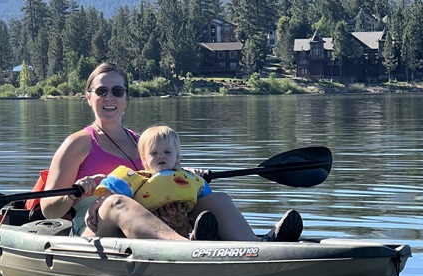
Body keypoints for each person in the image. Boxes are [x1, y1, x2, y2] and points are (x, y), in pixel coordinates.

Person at [39, 62, 302, 242]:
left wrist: (184, 176)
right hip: (94, 227)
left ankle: (257, 246)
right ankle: (186, 248)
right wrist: (75, 191)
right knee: (117, 201)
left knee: (217, 199)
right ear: (89, 97)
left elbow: (160, 178)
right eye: (102, 91)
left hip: (152, 220)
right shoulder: (78, 143)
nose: (110, 97)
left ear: (127, 98)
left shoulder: (143, 141)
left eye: (117, 91)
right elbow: (48, 209)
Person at [94, 124, 217, 239]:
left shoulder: (189, 178)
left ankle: (195, 237)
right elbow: (113, 192)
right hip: (150, 229)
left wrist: (197, 176)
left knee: (217, 201)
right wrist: (94, 206)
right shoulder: (139, 179)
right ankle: (184, 243)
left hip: (182, 225)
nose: (160, 156)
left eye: (167, 152)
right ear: (144, 159)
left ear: (177, 157)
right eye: (154, 153)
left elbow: (207, 197)